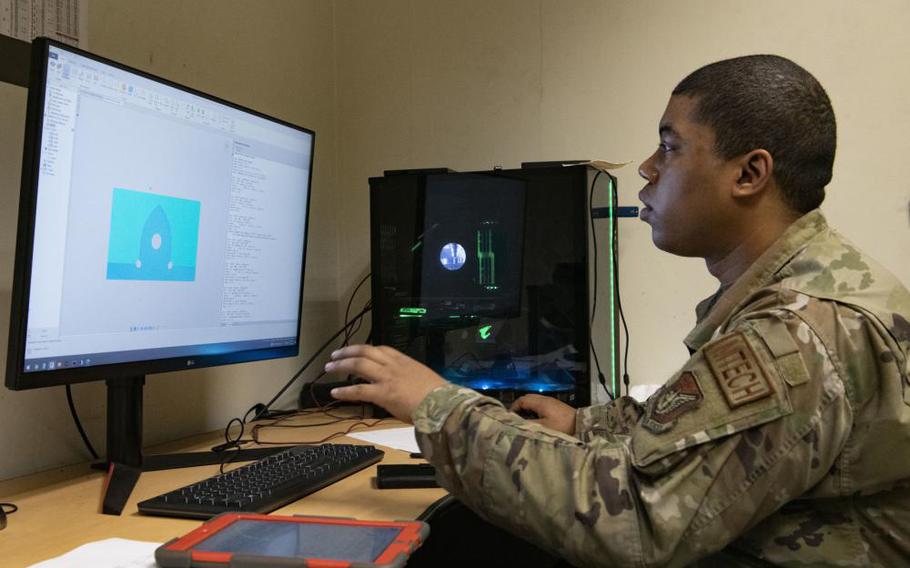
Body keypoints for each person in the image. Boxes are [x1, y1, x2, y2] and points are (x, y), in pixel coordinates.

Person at [326, 55, 910, 567]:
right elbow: (695, 429)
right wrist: (584, 425)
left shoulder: (795, 334)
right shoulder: (806, 290)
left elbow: (634, 524)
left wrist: (435, 406)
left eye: (670, 146)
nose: (648, 169)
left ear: (749, 173)